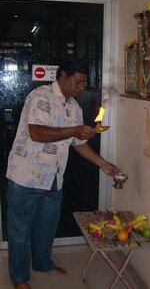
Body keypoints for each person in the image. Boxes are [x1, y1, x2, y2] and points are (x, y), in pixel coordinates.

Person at [6, 56, 120, 289]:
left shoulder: (74, 107)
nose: (81, 88)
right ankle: (18, 279)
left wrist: (102, 163)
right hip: (25, 177)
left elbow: (77, 143)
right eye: (77, 82)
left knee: (46, 227)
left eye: (83, 84)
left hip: (53, 180)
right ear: (63, 76)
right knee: (20, 233)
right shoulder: (40, 97)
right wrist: (74, 130)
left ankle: (43, 263)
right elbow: (37, 133)